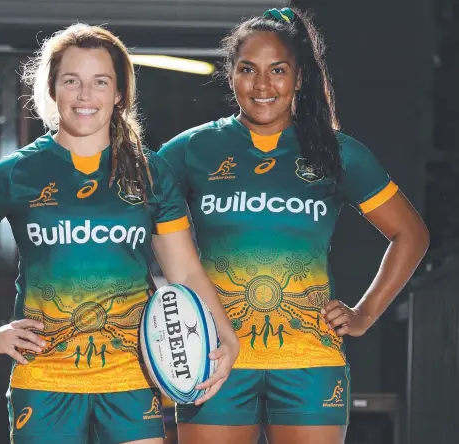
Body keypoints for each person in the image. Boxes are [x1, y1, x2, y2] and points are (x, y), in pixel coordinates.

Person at [0, 23, 239, 444]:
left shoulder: (150, 172)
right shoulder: (19, 172)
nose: (85, 95)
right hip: (46, 377)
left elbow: (186, 273)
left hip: (132, 373)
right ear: (53, 90)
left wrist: (227, 336)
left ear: (119, 93)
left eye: (100, 82)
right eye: (72, 81)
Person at [159, 7, 429, 444]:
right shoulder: (194, 149)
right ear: (231, 76)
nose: (263, 85)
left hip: (309, 360)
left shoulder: (335, 152)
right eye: (248, 69)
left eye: (278, 70)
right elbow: (129, 216)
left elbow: (411, 233)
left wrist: (364, 313)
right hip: (214, 356)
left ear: (299, 78)